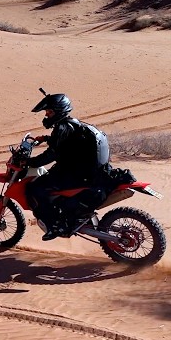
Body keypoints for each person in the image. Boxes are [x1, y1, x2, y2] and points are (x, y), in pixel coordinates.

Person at [26, 91, 111, 240]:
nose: (46, 115)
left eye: (49, 112)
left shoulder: (62, 127)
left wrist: (29, 162)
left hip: (78, 174)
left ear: (59, 111)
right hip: (88, 171)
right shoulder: (72, 123)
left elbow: (51, 155)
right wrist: (46, 138)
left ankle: (53, 226)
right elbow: (68, 142)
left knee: (35, 188)